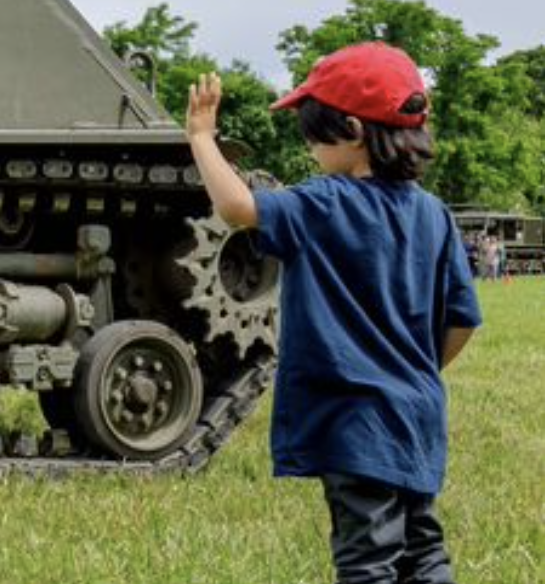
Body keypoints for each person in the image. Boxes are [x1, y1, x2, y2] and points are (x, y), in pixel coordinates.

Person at [185, 42, 481, 584]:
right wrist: (416, 371)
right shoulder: (434, 214)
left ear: (352, 131)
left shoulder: (325, 202)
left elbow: (237, 207)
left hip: (355, 422)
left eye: (313, 135)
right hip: (417, 413)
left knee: (368, 560)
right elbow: (463, 319)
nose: (310, 149)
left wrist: (202, 138)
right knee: (422, 551)